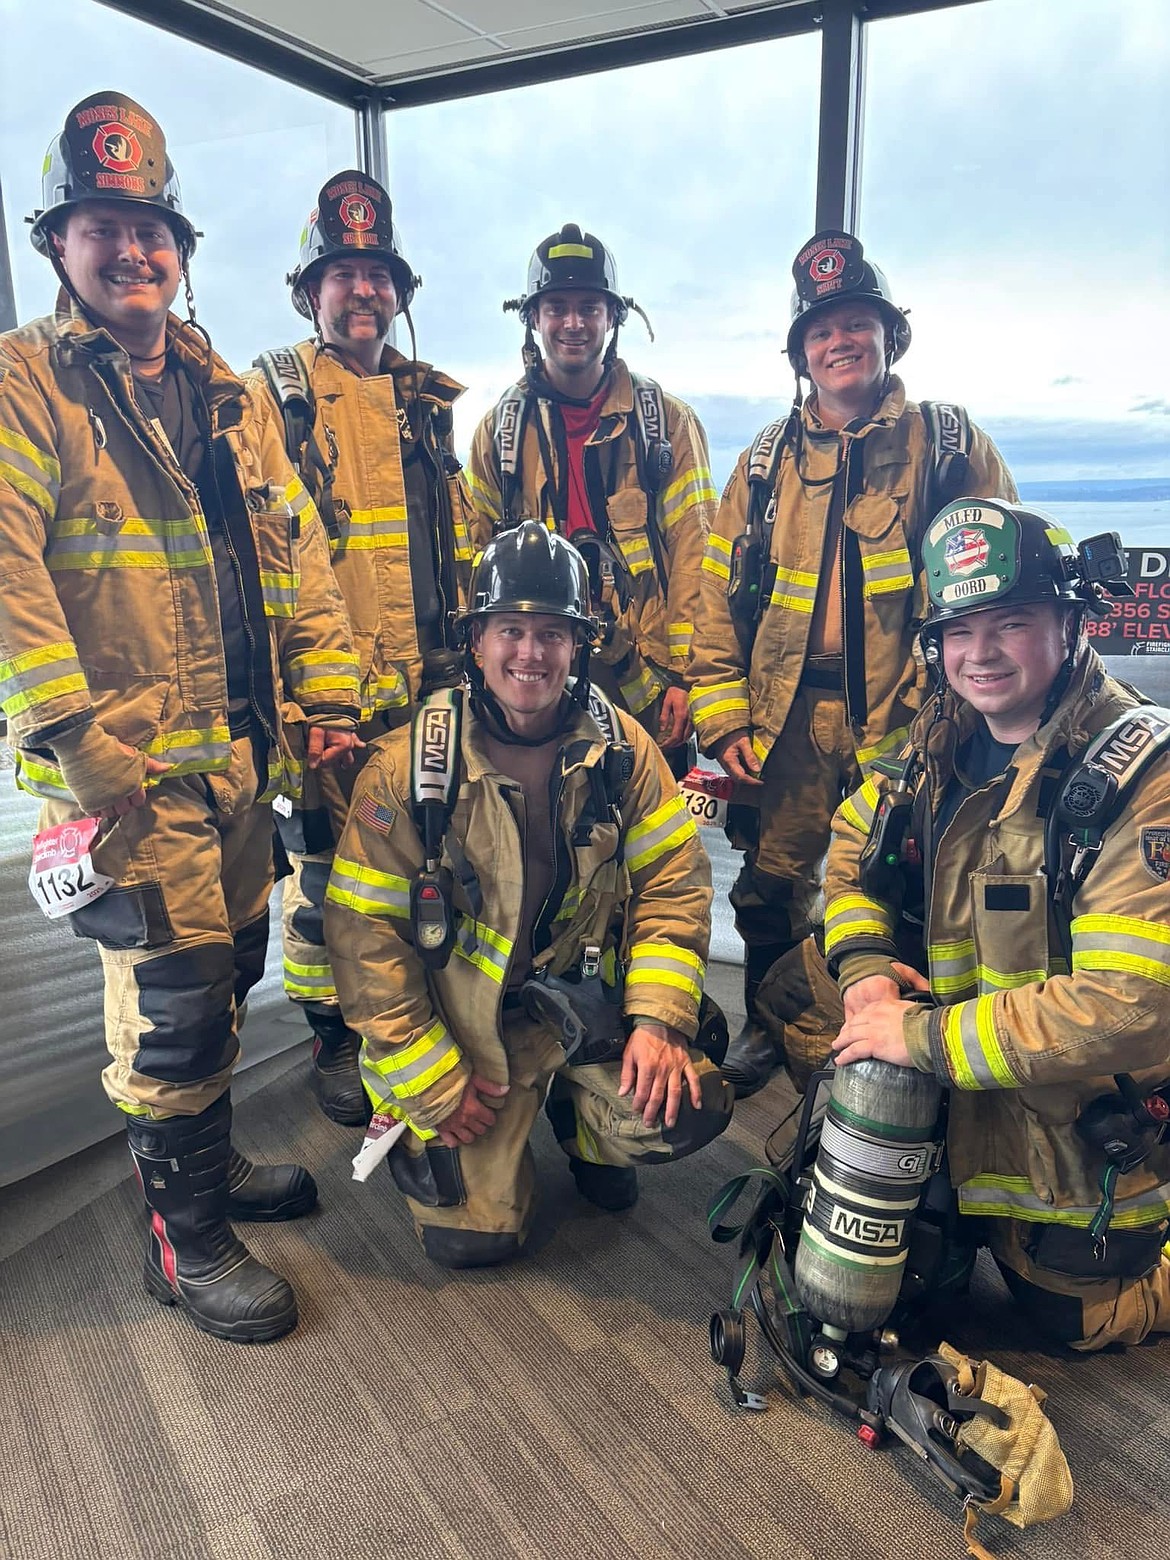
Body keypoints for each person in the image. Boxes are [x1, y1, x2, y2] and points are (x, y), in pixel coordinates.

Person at [0, 93, 362, 1343]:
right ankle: (185, 1241)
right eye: (101, 227)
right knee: (176, 1009)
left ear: (181, 248)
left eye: (149, 229)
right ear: (58, 244)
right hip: (125, 777)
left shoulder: (226, 394)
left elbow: (298, 557)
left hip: (240, 760)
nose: (130, 251)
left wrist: (325, 693)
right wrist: (79, 749)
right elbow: (6, 575)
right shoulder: (25, 383)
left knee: (236, 965)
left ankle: (206, 1170)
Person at [323, 521, 733, 1268]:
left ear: (579, 646)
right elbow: (364, 940)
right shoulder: (407, 772)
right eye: (510, 630)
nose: (530, 654)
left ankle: (583, 1125)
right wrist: (432, 1079)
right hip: (464, 1031)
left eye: (552, 633)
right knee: (472, 1243)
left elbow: (674, 886)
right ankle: (461, 1143)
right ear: (476, 642)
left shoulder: (625, 751)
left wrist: (657, 1021)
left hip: (581, 1007)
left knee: (686, 1108)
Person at [824, 498, 1170, 1351]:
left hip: (1072, 1124)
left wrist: (920, 1038)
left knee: (1076, 1322)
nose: (979, 653)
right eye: (959, 629)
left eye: (1010, 623)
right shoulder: (934, 743)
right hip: (958, 1086)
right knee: (891, 1285)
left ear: (1071, 622)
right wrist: (865, 966)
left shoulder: (1142, 776)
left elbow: (1127, 1007)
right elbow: (849, 858)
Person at [688, 229, 1017, 1098]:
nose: (840, 342)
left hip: (912, 722)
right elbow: (714, 601)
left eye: (857, 325)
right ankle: (773, 1024)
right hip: (785, 724)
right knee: (770, 884)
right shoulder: (764, 464)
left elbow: (996, 587)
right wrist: (723, 714)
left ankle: (888, 1046)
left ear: (888, 337)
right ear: (802, 354)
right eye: (822, 330)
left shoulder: (949, 447)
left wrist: (960, 716)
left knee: (894, 882)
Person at [248, 170, 474, 1128]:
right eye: (342, 275)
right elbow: (264, 561)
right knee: (325, 879)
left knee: (423, 863)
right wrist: (300, 702)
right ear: (311, 293)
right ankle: (332, 1035)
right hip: (330, 704)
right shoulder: (275, 399)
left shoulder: (427, 404)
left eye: (378, 275)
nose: (362, 292)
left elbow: (453, 547)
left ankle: (412, 1019)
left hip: (430, 695)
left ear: (400, 291)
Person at [462, 224, 714, 777]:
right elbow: (475, 560)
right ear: (533, 318)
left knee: (645, 810)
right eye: (557, 308)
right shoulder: (498, 434)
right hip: (535, 671)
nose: (573, 323)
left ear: (613, 318)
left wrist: (685, 678)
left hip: (644, 682)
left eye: (588, 308)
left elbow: (696, 557)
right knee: (539, 809)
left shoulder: (667, 425)